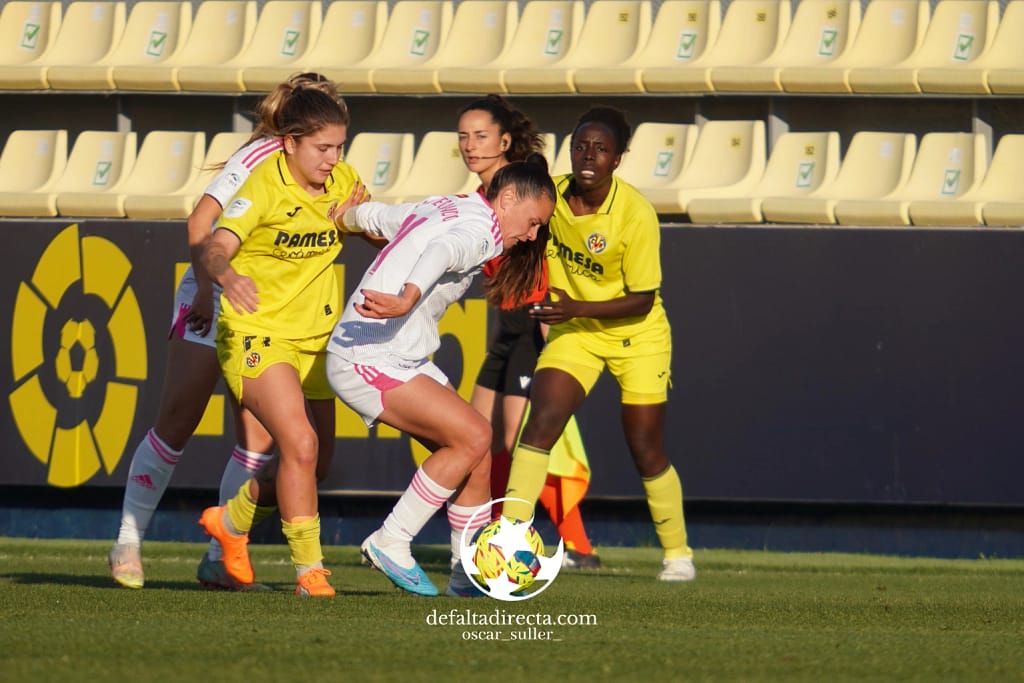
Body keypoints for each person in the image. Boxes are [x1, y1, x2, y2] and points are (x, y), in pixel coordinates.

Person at [108, 73, 343, 591]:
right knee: (176, 423)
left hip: (264, 319)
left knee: (257, 443)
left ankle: (221, 556)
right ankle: (127, 540)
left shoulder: (331, 171)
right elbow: (200, 223)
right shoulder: (259, 156)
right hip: (214, 299)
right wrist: (202, 291)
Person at [325, 157, 556, 597]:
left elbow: (381, 216)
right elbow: (442, 252)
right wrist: (407, 298)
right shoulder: (483, 230)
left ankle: (465, 577)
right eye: (532, 222)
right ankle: (391, 540)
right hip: (367, 356)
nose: (531, 235)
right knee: (474, 436)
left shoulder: (446, 205)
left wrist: (345, 217)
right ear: (508, 198)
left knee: (477, 453)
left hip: (400, 354)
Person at [502, 106, 696, 582]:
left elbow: (642, 299)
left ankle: (678, 555)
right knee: (540, 422)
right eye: (581, 147)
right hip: (576, 333)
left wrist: (576, 308)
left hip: (637, 335)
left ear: (618, 159)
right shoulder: (552, 197)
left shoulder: (635, 212)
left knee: (645, 447)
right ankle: (508, 541)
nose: (589, 156)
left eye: (601, 149)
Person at [196, 86, 366, 597]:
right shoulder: (263, 187)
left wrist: (356, 220)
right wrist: (227, 276)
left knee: (317, 463)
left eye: (339, 147)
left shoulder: (344, 180)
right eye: (323, 148)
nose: (333, 159)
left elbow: (372, 229)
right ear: (291, 143)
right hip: (257, 332)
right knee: (301, 444)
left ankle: (230, 522)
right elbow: (215, 246)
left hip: (317, 336)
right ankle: (309, 571)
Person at [457, 95, 600, 569]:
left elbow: (555, 249)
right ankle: (486, 536)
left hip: (534, 326)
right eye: (463, 136)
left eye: (480, 136)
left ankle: (552, 542)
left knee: (526, 441)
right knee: (476, 439)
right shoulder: (481, 198)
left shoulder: (523, 189)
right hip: (506, 329)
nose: (470, 145)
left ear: (504, 142)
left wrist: (551, 325)